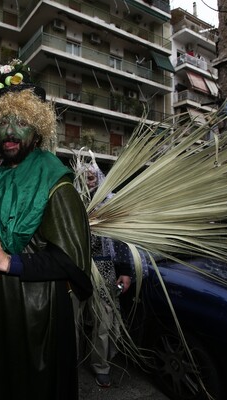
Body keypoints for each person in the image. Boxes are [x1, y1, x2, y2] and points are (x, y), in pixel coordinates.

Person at [0, 59, 93, 400]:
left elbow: (70, 261)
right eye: (2, 123)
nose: (9, 132)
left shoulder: (54, 182)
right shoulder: (1, 177)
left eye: (20, 122)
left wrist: (9, 262)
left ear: (37, 130)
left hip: (38, 316)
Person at [77, 161, 132, 388]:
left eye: (91, 177)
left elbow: (121, 240)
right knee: (70, 317)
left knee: (104, 319)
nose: (87, 182)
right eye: (83, 179)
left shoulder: (111, 203)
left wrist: (126, 271)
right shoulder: (72, 202)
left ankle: (101, 365)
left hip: (105, 268)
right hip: (77, 267)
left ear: (99, 177)